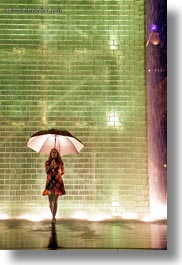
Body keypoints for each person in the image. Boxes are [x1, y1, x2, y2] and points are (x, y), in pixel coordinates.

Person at [42, 148, 65, 223]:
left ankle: (53, 217)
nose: (54, 154)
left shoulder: (60, 163)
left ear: (57, 154)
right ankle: (52, 214)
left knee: (55, 200)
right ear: (50, 154)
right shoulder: (47, 162)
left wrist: (57, 169)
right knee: (50, 201)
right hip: (50, 183)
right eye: (52, 152)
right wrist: (51, 166)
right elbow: (47, 172)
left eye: (55, 152)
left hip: (57, 183)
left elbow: (62, 172)